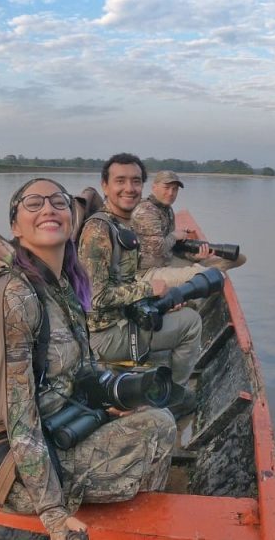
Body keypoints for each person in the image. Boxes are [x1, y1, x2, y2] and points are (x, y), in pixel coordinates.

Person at [0, 177, 176, 540]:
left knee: (147, 408)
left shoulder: (62, 284)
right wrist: (53, 513)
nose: (48, 209)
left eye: (58, 202)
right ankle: (145, 527)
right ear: (15, 226)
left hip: (53, 425)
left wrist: (112, 402)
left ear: (71, 219)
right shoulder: (15, 295)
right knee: (161, 426)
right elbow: (19, 415)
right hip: (5, 466)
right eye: (33, 203)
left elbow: (75, 371)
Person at [76, 154, 202, 408]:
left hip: (124, 316)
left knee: (185, 305)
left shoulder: (124, 224)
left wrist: (158, 299)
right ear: (105, 185)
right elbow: (95, 298)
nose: (129, 188)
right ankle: (173, 398)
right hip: (103, 335)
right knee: (192, 324)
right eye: (120, 181)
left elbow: (124, 281)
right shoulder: (99, 231)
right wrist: (148, 289)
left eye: (135, 181)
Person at [131, 170, 247, 288]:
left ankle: (200, 273)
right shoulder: (146, 211)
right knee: (209, 274)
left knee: (238, 258)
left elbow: (173, 247)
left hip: (167, 261)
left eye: (175, 189)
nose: (171, 193)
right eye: (166, 187)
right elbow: (157, 250)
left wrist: (194, 257)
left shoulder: (167, 210)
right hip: (147, 272)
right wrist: (175, 236)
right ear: (154, 187)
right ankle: (200, 277)